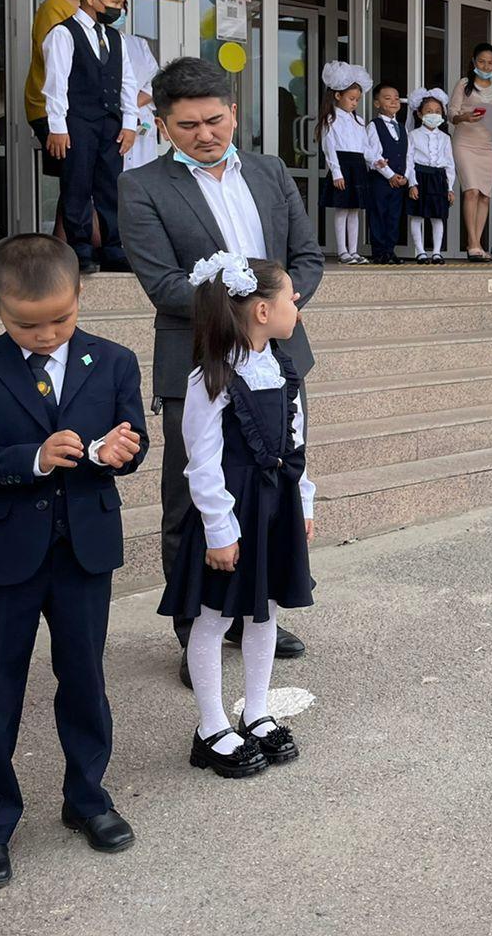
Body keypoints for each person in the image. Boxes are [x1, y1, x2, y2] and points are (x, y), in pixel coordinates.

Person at [0, 234, 147, 891]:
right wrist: (30, 458)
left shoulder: (113, 360)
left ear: (79, 295)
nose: (47, 334)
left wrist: (116, 452)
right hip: (3, 554)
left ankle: (87, 797)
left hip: (84, 550)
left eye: (60, 318)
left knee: (85, 679)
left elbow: (134, 439)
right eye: (27, 324)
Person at [117, 56, 324, 687]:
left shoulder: (269, 171)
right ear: (162, 125)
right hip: (198, 363)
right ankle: (194, 629)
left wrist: (276, 313)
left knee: (270, 491)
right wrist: (248, 312)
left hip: (278, 360)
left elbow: (306, 258)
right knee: (191, 500)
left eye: (215, 120)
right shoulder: (142, 186)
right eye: (187, 126)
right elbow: (163, 284)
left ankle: (252, 611)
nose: (205, 134)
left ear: (234, 111)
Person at [157, 253, 315, 779]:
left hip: (273, 507)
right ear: (262, 311)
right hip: (232, 509)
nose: (297, 303)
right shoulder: (213, 377)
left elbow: (295, 443)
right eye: (290, 296)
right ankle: (210, 726)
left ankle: (257, 711)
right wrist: (219, 529)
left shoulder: (283, 368)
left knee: (264, 610)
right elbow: (201, 462)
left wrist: (302, 501)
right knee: (214, 616)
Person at [41, 0, 137, 274]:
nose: (120, 9)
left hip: (110, 123)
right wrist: (57, 126)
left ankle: (113, 247)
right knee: (78, 183)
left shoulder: (115, 38)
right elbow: (56, 83)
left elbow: (127, 82)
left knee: (110, 185)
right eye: (115, 2)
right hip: (78, 122)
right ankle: (80, 246)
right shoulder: (63, 33)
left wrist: (129, 123)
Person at [25, 0, 97, 243]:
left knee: (79, 177)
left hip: (82, 107)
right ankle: (67, 244)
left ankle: (62, 243)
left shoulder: (89, 8)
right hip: (52, 106)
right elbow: (57, 60)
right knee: (75, 176)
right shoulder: (55, 7)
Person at [449, 44, 492, 260]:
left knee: (485, 196)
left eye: (490, 63)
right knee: (471, 191)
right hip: (465, 142)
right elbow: (451, 113)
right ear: (473, 61)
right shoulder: (464, 84)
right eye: (482, 62)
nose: (486, 66)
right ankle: (472, 243)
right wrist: (465, 117)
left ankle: (478, 244)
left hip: (486, 145)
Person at [318, 61, 372, 265]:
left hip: (357, 166)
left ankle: (354, 250)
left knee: (354, 210)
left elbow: (365, 147)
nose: (354, 103)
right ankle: (342, 251)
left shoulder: (359, 121)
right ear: (338, 96)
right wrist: (336, 172)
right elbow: (329, 148)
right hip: (342, 165)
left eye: (357, 100)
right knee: (342, 209)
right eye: (351, 99)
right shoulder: (331, 120)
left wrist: (377, 161)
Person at [406, 87, 456, 264]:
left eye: (437, 111)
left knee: (437, 216)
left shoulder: (445, 138)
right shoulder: (413, 135)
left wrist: (450, 187)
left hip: (438, 178)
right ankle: (420, 251)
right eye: (429, 111)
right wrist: (412, 183)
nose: (433, 115)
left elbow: (449, 163)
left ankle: (436, 252)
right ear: (420, 114)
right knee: (417, 215)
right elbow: (409, 161)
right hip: (420, 176)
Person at [365, 83, 409, 265]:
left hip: (398, 181)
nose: (393, 101)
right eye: (388, 98)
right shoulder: (374, 126)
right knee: (378, 214)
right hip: (381, 179)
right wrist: (390, 175)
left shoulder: (403, 128)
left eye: (396, 98)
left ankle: (390, 250)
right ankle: (379, 251)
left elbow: (408, 155)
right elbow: (373, 154)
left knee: (394, 216)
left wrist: (405, 176)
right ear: (377, 103)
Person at [118, 3, 161, 172]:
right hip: (110, 118)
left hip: (141, 117)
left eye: (122, 5)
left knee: (143, 176)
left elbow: (155, 82)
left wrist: (131, 104)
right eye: (114, 3)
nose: (119, 9)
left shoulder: (138, 44)